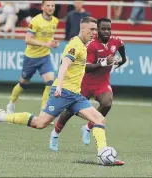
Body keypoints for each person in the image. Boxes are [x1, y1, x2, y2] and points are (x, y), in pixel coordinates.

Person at [0, 16, 123, 166]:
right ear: (83, 28)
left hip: (75, 95)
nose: (95, 32)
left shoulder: (84, 45)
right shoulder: (75, 45)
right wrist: (59, 86)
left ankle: (104, 154)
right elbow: (64, 65)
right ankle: (2, 116)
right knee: (39, 123)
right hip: (63, 92)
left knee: (99, 119)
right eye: (92, 29)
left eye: (95, 29)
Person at [50, 18, 127, 153]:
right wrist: (104, 63)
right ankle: (55, 133)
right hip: (84, 83)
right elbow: (87, 67)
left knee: (107, 103)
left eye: (108, 29)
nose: (106, 32)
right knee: (69, 112)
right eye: (103, 29)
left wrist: (123, 59)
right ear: (97, 30)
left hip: (102, 83)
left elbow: (121, 45)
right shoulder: (91, 45)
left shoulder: (115, 41)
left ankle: (87, 128)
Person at [6, 1, 59, 114]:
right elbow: (27, 39)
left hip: (45, 56)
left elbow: (49, 37)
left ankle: (43, 111)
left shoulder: (55, 21)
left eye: (52, 6)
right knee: (23, 84)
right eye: (48, 5)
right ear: (42, 7)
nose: (50, 8)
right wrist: (45, 44)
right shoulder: (36, 21)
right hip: (31, 57)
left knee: (50, 82)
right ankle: (11, 103)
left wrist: (53, 43)